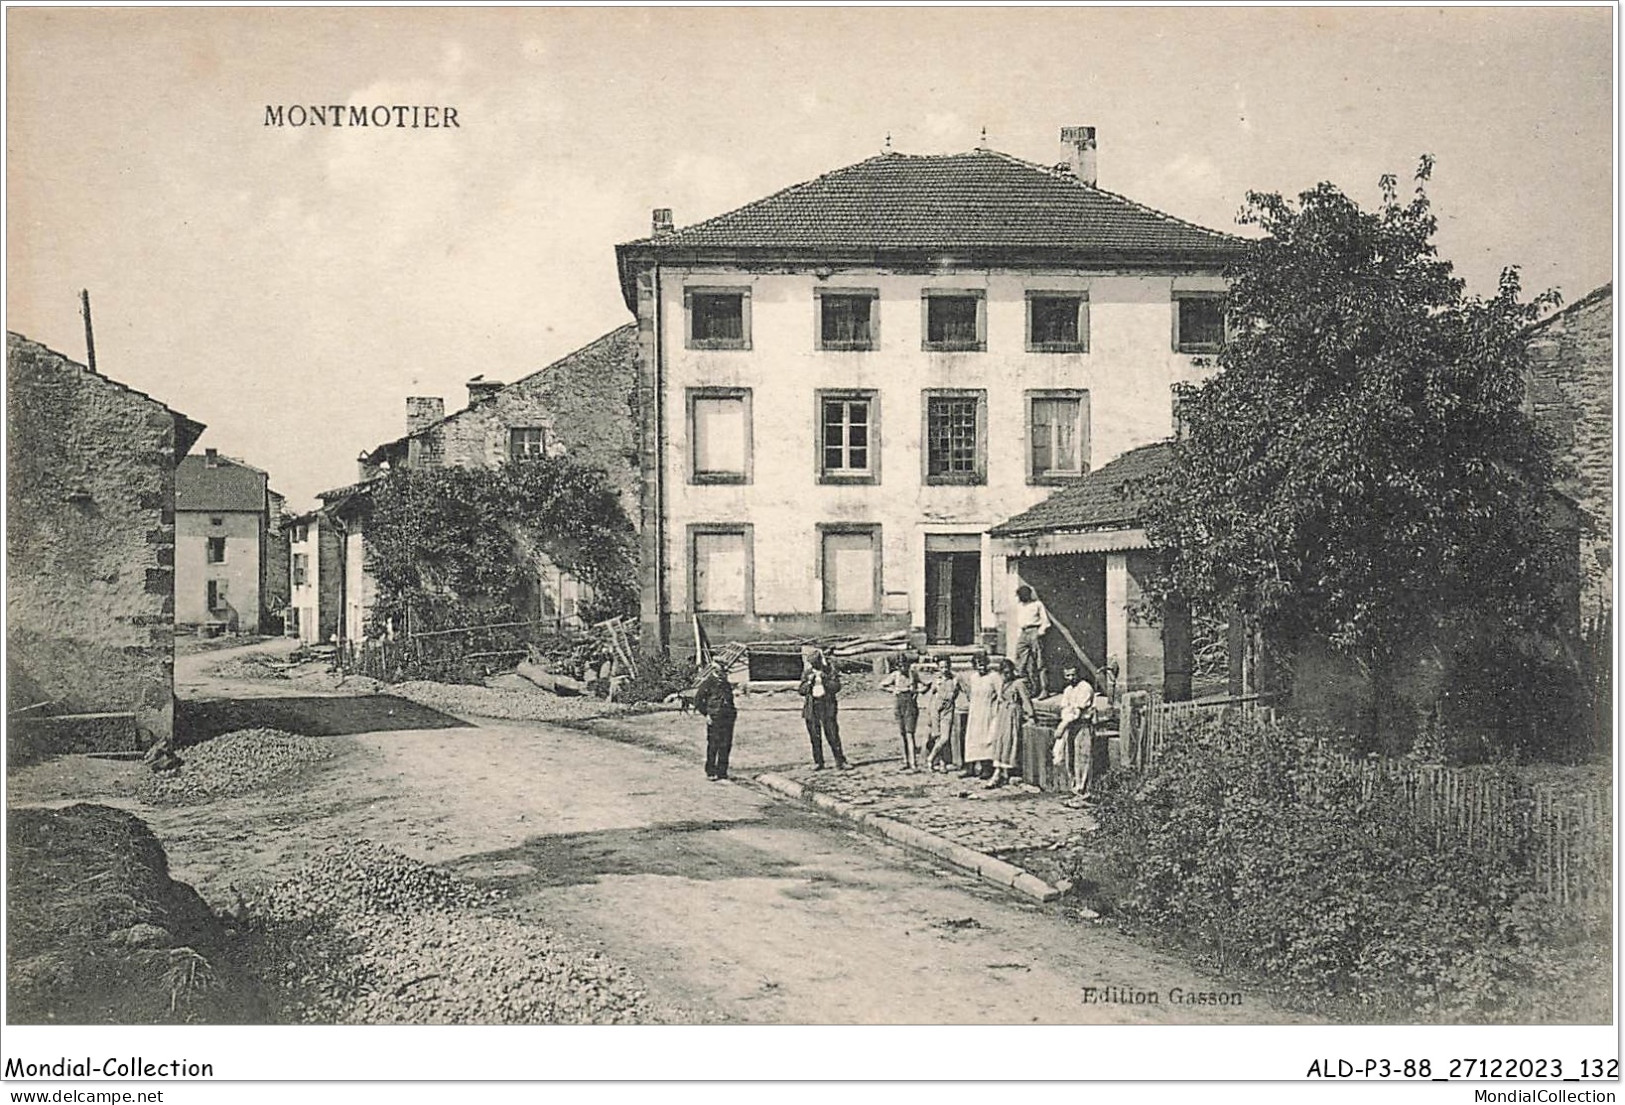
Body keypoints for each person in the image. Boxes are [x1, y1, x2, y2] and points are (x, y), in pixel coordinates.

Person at [694, 643, 747, 781]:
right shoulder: (708, 682)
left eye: (724, 669)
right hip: (715, 716)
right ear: (715, 668)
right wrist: (707, 714)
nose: (722, 671)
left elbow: (729, 699)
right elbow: (698, 701)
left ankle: (722, 771)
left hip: (728, 716)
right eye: (720, 669)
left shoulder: (725, 683)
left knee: (726, 744)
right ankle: (711, 771)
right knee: (713, 744)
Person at [988, 657, 1036, 788]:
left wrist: (1030, 716)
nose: (1006, 675)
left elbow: (1026, 700)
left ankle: (1002, 773)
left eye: (1008, 672)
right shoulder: (1003, 684)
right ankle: (1000, 772)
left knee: (1010, 740)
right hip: (1003, 714)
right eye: (1003, 673)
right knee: (1000, 741)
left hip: (1013, 714)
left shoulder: (1018, 684)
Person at [799, 649, 850, 770]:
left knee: (832, 734)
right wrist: (809, 683)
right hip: (812, 706)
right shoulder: (807, 673)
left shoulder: (829, 671)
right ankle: (818, 762)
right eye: (812, 663)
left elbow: (836, 687)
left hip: (827, 706)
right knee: (814, 736)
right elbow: (801, 690)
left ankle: (840, 762)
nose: (814, 665)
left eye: (816, 662)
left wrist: (825, 679)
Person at [1053, 664, 1096, 795]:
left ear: (1079, 674)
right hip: (1070, 726)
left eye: (1073, 674)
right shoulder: (1068, 690)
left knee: (1082, 757)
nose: (1071, 678)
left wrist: (1062, 725)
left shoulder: (1085, 688)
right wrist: (1065, 721)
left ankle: (1083, 788)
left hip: (1082, 725)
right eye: (1067, 675)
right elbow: (1065, 709)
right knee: (1069, 756)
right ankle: (1074, 786)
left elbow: (1077, 710)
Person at [960, 652, 1000, 780]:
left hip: (988, 711)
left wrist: (996, 710)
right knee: (973, 738)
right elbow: (970, 694)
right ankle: (970, 767)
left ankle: (986, 767)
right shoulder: (973, 677)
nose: (981, 668)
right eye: (978, 665)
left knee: (986, 737)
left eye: (983, 665)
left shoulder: (994, 676)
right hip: (975, 711)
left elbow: (1000, 695)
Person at [878, 653, 921, 770]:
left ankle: (913, 763)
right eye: (900, 666)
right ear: (897, 666)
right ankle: (905, 761)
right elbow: (881, 685)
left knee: (910, 734)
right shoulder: (895, 675)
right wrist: (893, 689)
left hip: (910, 705)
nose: (903, 668)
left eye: (905, 665)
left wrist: (917, 691)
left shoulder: (913, 674)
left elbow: (925, 685)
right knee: (902, 734)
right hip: (898, 704)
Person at [1011, 584, 1052, 698]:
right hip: (1023, 633)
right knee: (1021, 662)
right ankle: (1031, 688)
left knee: (1040, 662)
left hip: (1034, 632)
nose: (1020, 597)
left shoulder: (1037, 605)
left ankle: (1044, 689)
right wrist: (1020, 634)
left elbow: (1046, 621)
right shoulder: (1020, 606)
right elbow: (1019, 622)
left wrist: (1039, 632)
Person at [921, 655, 961, 771]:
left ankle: (931, 758)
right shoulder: (936, 680)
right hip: (936, 708)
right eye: (942, 667)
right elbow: (931, 696)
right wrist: (930, 713)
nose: (944, 669)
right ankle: (942, 763)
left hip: (948, 710)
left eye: (946, 666)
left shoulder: (955, 679)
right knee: (937, 737)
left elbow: (964, 690)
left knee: (945, 738)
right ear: (938, 668)